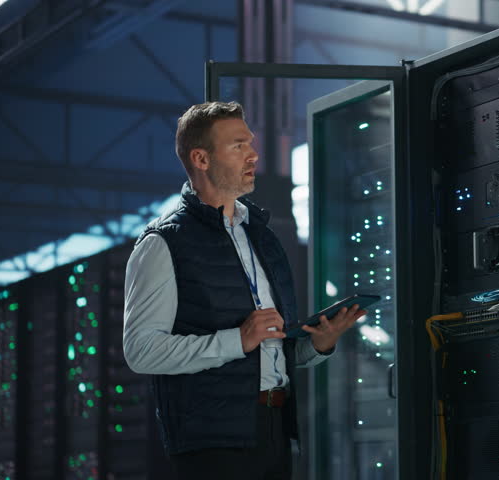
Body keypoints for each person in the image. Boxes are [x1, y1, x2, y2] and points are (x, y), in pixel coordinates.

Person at [122, 101, 363, 480]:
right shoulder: (163, 244)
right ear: (201, 159)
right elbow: (141, 352)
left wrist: (317, 344)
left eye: (249, 143)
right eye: (237, 145)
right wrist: (237, 339)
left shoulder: (261, 236)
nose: (253, 154)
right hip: (212, 442)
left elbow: (268, 347)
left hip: (274, 429)